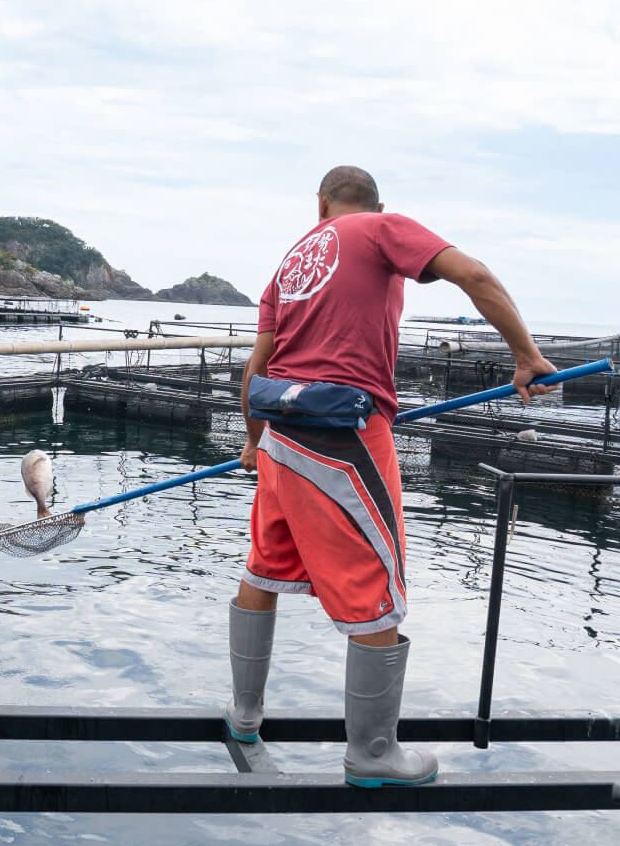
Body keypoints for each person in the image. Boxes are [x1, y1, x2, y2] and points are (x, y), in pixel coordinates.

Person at [225, 165, 558, 786]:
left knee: (265, 565)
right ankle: (373, 755)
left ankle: (244, 715)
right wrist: (525, 356)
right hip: (343, 435)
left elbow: (257, 363)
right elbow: (474, 274)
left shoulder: (292, 259)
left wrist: (250, 441)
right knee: (378, 582)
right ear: (377, 205)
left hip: (277, 434)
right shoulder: (383, 229)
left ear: (319, 204)